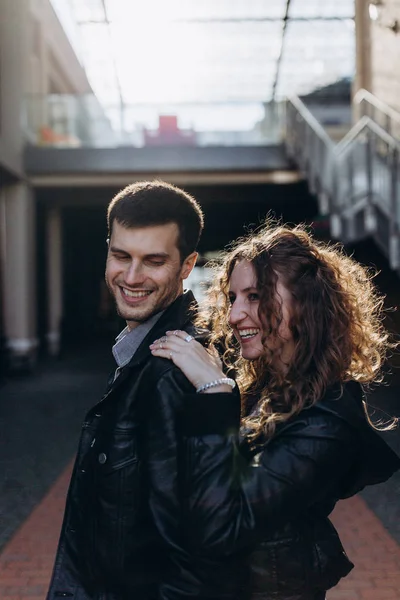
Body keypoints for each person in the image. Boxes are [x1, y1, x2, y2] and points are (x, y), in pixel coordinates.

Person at [150, 223, 400, 600]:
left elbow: (222, 526)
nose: (235, 315)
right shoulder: (265, 384)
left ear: (306, 301)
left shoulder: (328, 421)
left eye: (255, 296)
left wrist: (214, 393)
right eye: (233, 297)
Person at [46, 180, 235, 600]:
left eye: (153, 261)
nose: (131, 277)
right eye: (120, 256)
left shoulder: (175, 370)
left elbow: (198, 552)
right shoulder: (144, 351)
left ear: (187, 266)